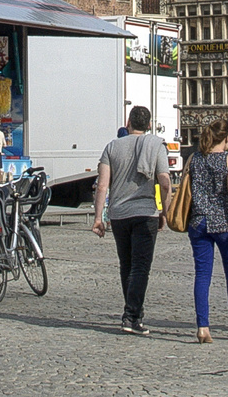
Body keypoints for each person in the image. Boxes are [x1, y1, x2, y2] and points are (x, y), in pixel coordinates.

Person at [92, 106, 173, 335]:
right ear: (149, 125)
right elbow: (165, 182)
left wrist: (99, 217)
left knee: (126, 265)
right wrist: (165, 212)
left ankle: (132, 312)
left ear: (128, 122)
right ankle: (131, 316)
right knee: (140, 267)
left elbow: (102, 185)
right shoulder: (156, 145)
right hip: (145, 212)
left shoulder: (112, 147)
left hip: (119, 214)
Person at [186, 119, 228, 343]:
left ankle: (203, 327)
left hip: (198, 222)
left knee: (202, 274)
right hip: (225, 222)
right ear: (226, 139)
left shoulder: (194, 158)